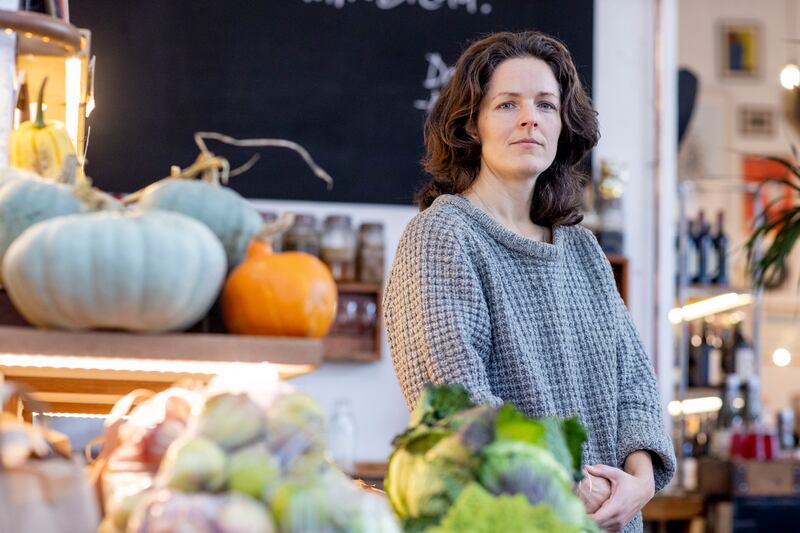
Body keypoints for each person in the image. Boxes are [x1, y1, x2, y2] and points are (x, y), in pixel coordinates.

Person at [383, 31, 675, 533]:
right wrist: (576, 487)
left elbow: (634, 384)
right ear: (471, 124)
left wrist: (641, 481)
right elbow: (458, 410)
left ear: (562, 124)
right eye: (507, 104)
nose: (529, 118)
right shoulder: (442, 235)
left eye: (545, 105)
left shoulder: (583, 250)